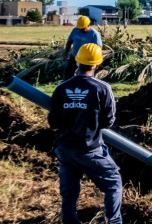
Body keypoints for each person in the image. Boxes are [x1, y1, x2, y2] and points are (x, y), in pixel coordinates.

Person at [48, 43, 123, 224]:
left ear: (77, 61)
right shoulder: (103, 88)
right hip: (88, 148)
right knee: (113, 182)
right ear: (97, 65)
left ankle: (69, 221)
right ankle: (114, 221)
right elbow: (109, 121)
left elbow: (53, 122)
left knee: (69, 191)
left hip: (65, 149)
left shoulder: (61, 88)